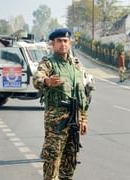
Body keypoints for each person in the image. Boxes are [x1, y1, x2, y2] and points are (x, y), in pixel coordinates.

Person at [33, 28, 89, 180]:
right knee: (53, 159)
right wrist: (46, 81)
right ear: (53, 44)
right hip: (56, 121)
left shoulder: (76, 65)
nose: (63, 44)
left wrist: (84, 118)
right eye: (59, 41)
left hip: (74, 120)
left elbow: (83, 93)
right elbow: (37, 77)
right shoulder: (49, 63)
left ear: (70, 43)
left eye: (65, 41)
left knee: (69, 161)